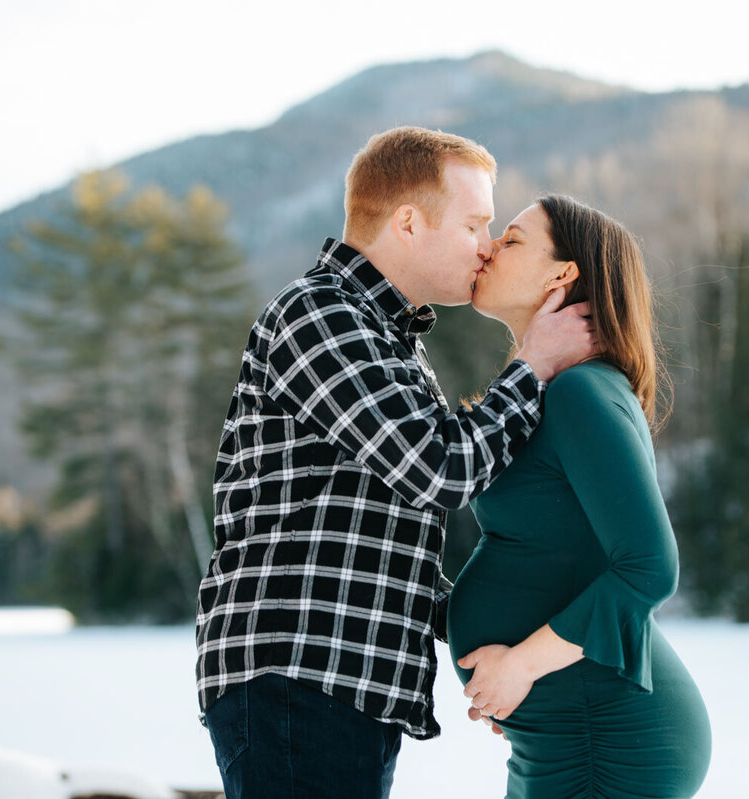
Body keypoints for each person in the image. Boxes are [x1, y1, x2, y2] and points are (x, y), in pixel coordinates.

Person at [195, 128, 596, 799]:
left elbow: (383, 551)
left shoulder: (387, 340)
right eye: (474, 223)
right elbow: (438, 469)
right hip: (301, 672)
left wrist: (505, 653)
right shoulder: (320, 314)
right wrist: (535, 365)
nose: (487, 244)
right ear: (409, 223)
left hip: (337, 681)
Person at [449, 195, 712, 798]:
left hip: (608, 742)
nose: (488, 248)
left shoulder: (581, 395)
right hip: (565, 735)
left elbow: (649, 569)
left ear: (561, 275)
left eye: (511, 240)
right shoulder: (550, 394)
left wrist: (521, 667)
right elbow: (550, 558)